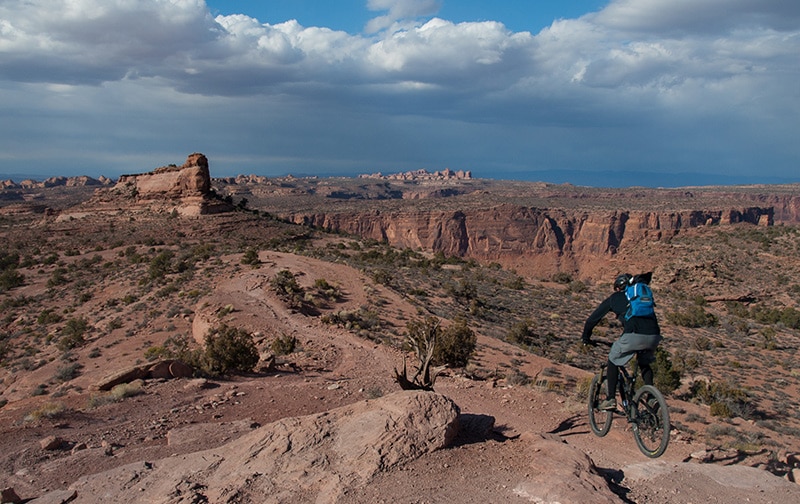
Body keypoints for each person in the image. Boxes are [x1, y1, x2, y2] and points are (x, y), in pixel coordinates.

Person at [581, 273, 662, 411]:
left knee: (613, 359)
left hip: (633, 334)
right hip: (654, 335)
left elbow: (592, 320)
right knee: (644, 362)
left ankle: (610, 399)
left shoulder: (615, 298)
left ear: (618, 288)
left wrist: (586, 337)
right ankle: (651, 396)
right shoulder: (639, 296)